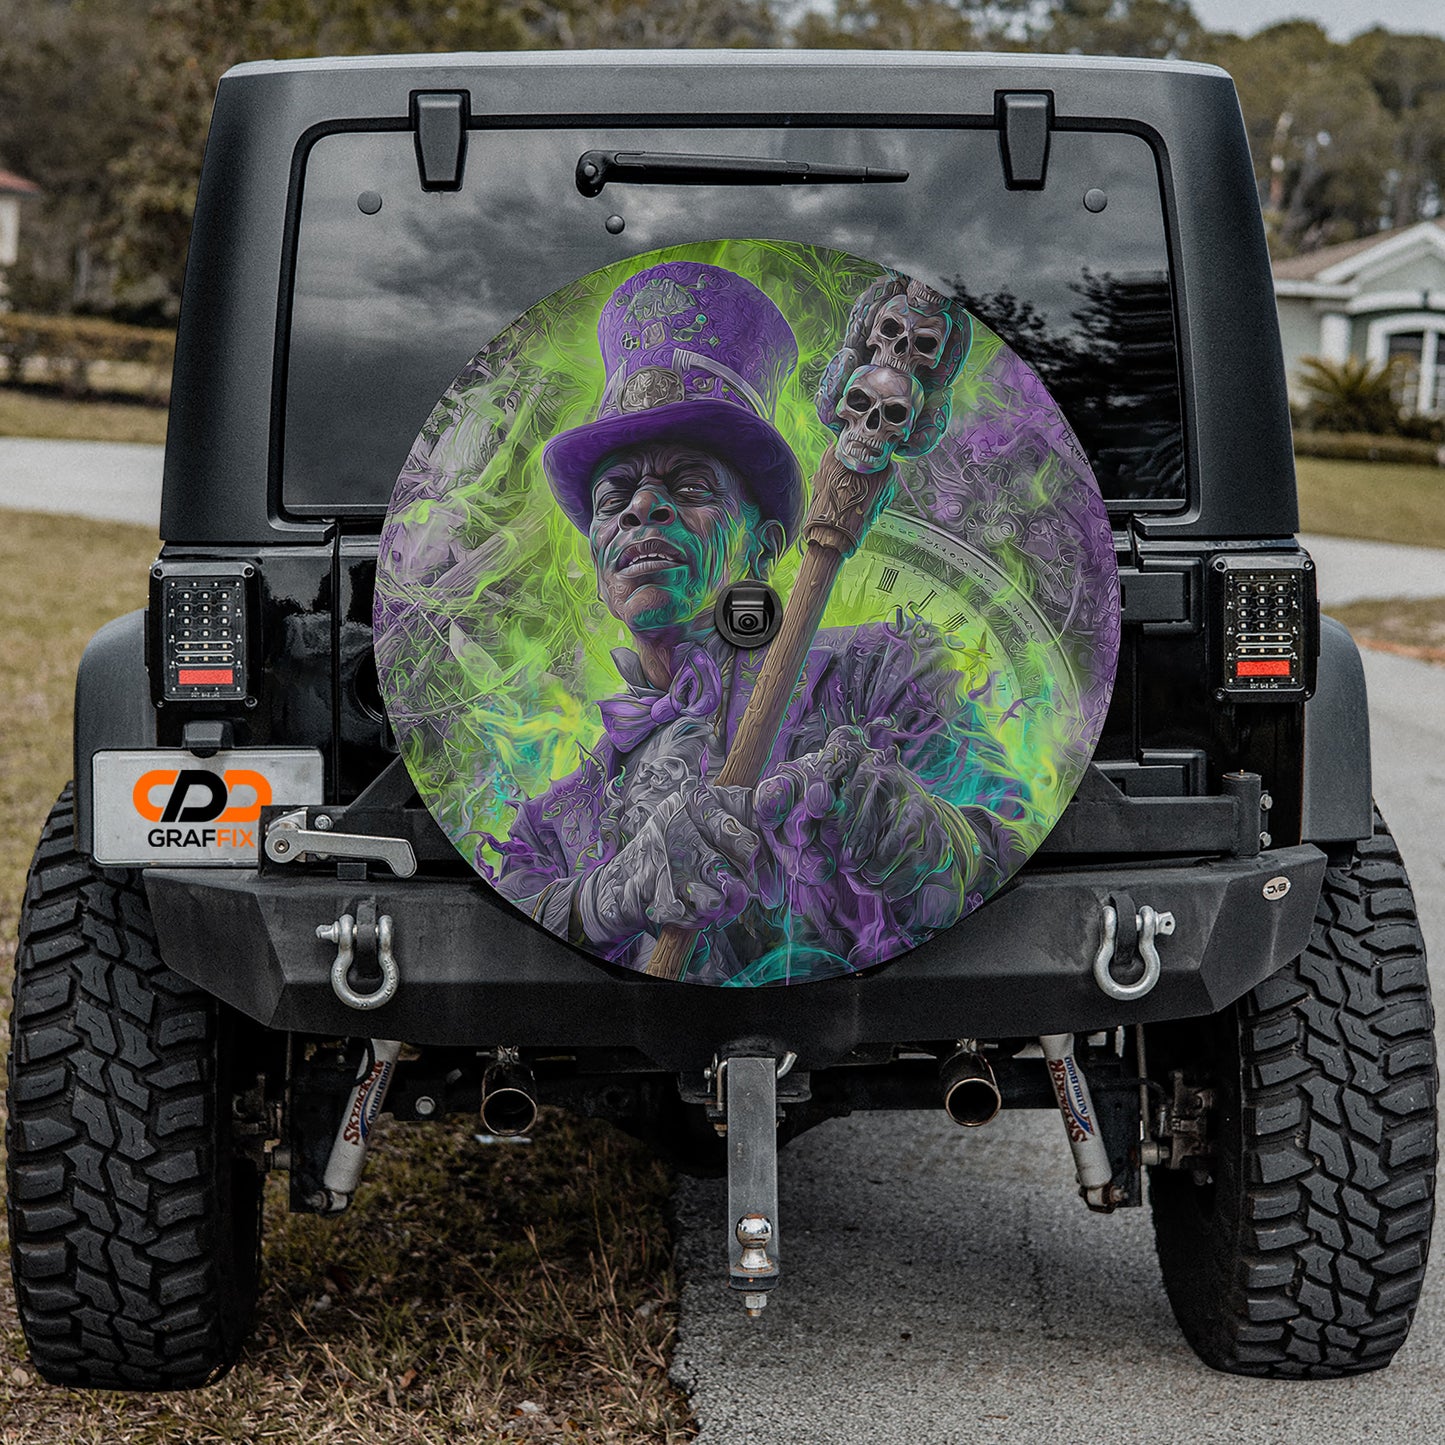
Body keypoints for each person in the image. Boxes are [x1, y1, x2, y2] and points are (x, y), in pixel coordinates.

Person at [490, 261, 1019, 984]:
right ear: (597, 552)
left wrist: (939, 843)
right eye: (615, 495)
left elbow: (1026, 863)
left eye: (688, 485)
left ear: (765, 543)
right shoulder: (558, 819)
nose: (644, 507)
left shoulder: (882, 676)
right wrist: (607, 897)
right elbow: (495, 946)